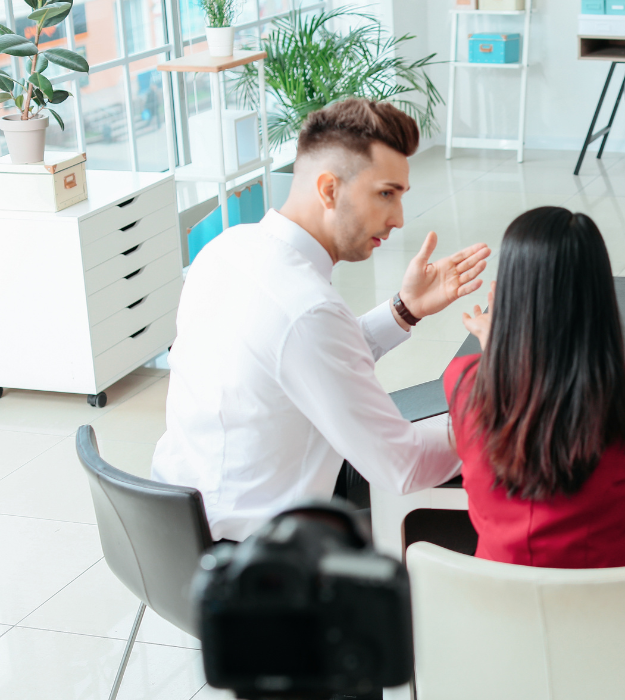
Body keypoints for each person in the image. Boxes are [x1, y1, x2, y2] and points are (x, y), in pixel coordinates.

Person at [152, 99, 490, 542]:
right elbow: (402, 466)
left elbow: (300, 361)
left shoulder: (226, 249)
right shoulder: (307, 308)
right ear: (329, 189)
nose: (398, 219)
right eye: (386, 194)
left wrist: (403, 310)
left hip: (170, 530)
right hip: (256, 562)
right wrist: (500, 414)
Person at [443, 206, 625, 674]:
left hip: (499, 643)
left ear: (507, 295)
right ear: (598, 299)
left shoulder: (464, 383)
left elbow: (518, 393)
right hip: (612, 644)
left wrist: (497, 347)